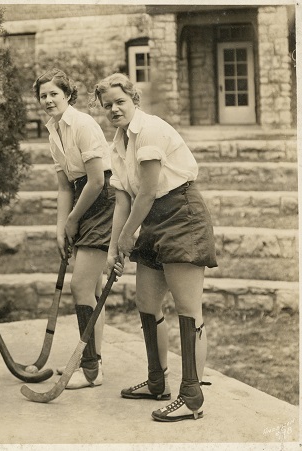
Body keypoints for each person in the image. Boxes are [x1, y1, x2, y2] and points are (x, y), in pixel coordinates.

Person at [92, 72, 217, 421]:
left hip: (181, 214)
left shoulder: (149, 130)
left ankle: (192, 397)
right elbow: (122, 200)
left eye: (120, 101)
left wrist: (127, 237)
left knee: (189, 308)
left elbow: (146, 192)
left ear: (135, 99)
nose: (114, 109)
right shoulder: (117, 143)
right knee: (146, 301)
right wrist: (114, 249)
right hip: (150, 218)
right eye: (107, 105)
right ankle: (156, 381)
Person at [33, 68, 122, 390]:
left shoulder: (83, 124)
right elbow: (63, 185)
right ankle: (93, 363)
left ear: (68, 95)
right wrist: (61, 226)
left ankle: (89, 368)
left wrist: (73, 219)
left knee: (81, 287)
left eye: (54, 94)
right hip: (82, 199)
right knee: (92, 290)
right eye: (43, 95)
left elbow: (98, 179)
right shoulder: (52, 131)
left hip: (104, 199)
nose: (48, 100)